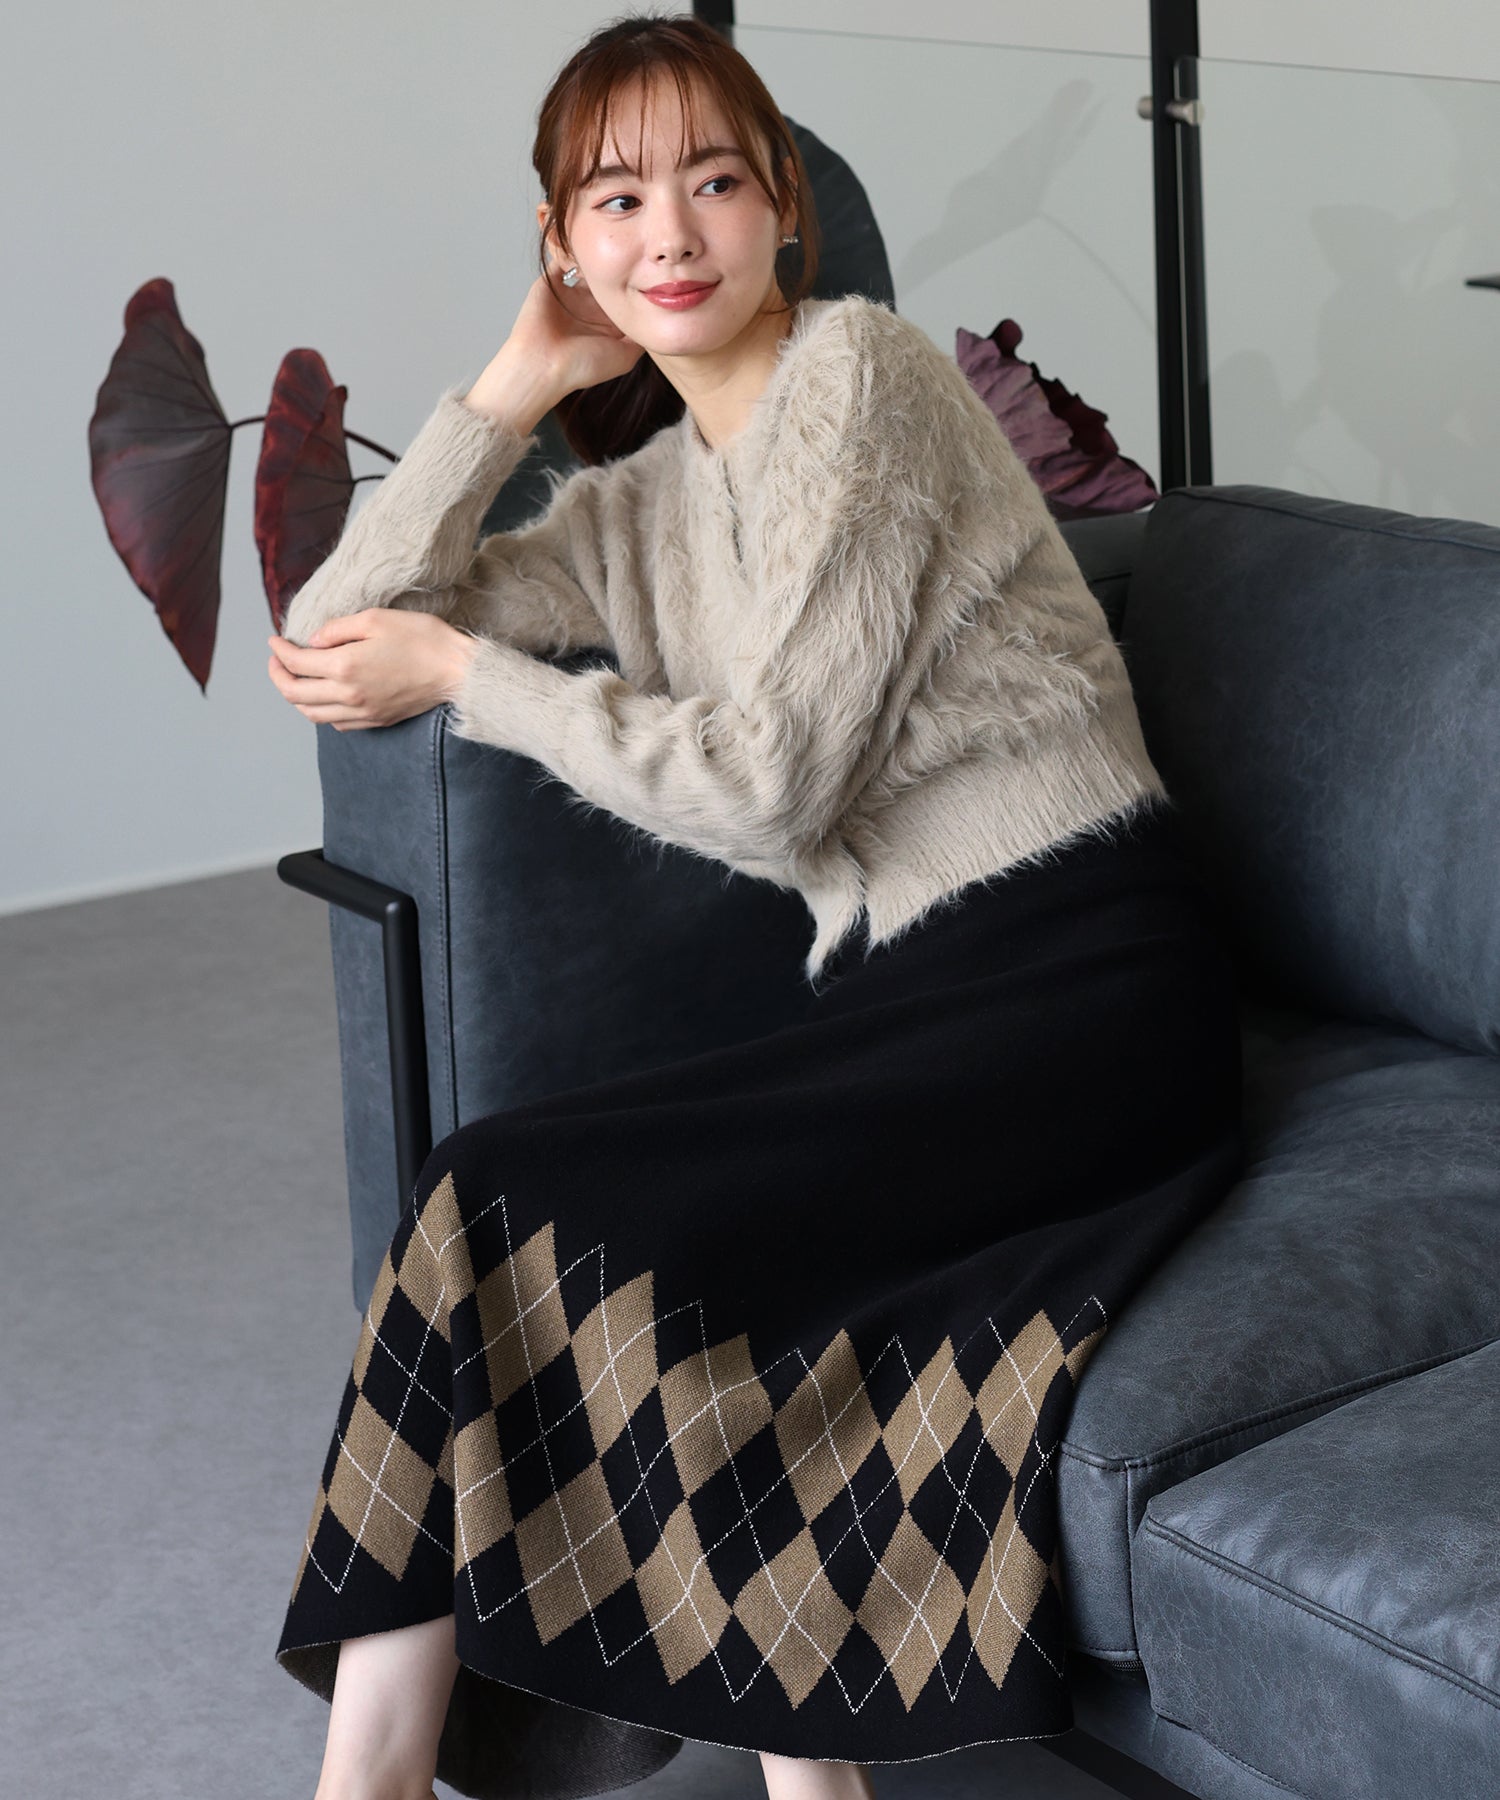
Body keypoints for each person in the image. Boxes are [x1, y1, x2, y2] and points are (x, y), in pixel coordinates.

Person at [266, 15, 1245, 1800]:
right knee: (532, 1217)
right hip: (907, 996)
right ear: (563, 243)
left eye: (714, 182)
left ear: (784, 205)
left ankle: (378, 1788)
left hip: (1086, 981)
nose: (672, 234)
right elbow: (332, 641)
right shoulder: (639, 506)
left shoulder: (866, 378)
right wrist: (507, 390)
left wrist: (474, 675)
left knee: (514, 1195)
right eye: (618, 200)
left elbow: (774, 782)